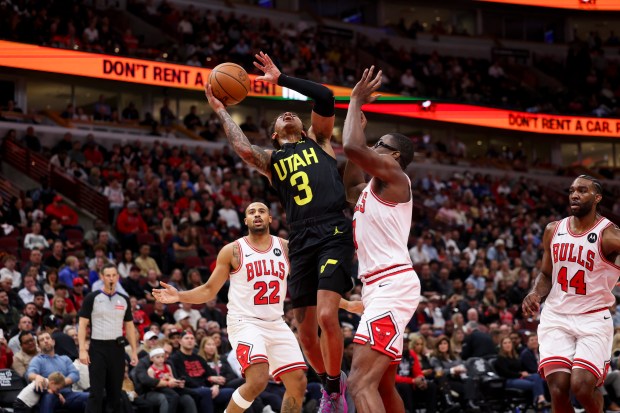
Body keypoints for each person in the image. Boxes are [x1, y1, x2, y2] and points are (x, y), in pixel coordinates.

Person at [205, 51, 353, 412]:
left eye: (294, 115)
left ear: (304, 128)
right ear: (274, 134)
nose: (289, 115)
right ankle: (330, 383)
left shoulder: (319, 140)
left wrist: (280, 79)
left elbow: (325, 97)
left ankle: (333, 389)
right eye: (281, 116)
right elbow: (242, 148)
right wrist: (221, 110)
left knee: (326, 316)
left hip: (333, 229)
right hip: (301, 238)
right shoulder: (272, 161)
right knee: (304, 332)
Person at [154, 202, 323, 413]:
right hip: (244, 322)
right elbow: (208, 290)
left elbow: (307, 285)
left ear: (270, 219)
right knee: (258, 379)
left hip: (276, 322)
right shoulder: (233, 251)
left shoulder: (286, 248)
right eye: (251, 212)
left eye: (262, 211)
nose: (257, 215)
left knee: (298, 382)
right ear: (246, 221)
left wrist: (342, 303)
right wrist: (179, 295)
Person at [340, 66, 420, 413]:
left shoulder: (396, 177)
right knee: (384, 385)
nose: (374, 148)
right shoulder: (370, 189)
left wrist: (355, 101)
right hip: (378, 287)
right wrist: (359, 128)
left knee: (359, 383)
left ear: (395, 155)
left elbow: (351, 148)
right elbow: (350, 185)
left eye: (380, 146)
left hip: (391, 284)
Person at [523, 175, 620, 413]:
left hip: (593, 318)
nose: (574, 195)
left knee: (582, 386)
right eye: (572, 190)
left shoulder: (610, 235)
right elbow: (546, 274)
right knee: (557, 388)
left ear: (597, 198)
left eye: (582, 191)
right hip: (556, 316)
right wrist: (535, 293)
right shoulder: (553, 230)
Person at [78, 263, 139, 413]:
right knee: (96, 394)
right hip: (97, 348)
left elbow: (130, 327)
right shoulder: (92, 298)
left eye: (114, 275)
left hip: (117, 349)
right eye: (108, 275)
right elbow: (82, 325)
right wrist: (82, 349)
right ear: (101, 277)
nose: (111, 278)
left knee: (115, 395)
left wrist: (134, 351)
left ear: (118, 277)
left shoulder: (124, 299)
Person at [26, 332, 88, 411]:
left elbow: (75, 374)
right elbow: (30, 374)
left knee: (91, 397)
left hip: (68, 394)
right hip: (49, 394)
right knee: (48, 397)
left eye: (48, 338)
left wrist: (59, 384)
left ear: (53, 342)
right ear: (38, 346)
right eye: (42, 340)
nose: (45, 341)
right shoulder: (37, 360)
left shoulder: (65, 359)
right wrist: (37, 377)